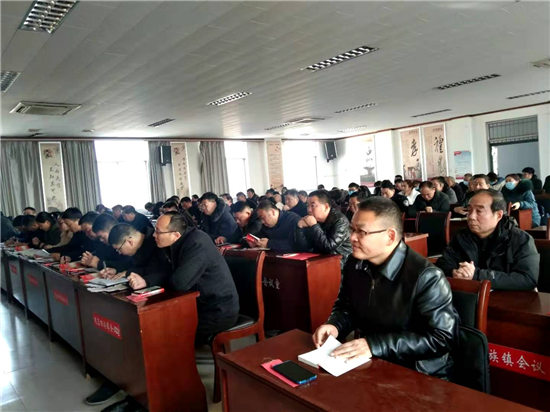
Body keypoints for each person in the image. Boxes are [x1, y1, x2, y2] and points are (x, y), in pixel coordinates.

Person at [313, 197, 458, 380]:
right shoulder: (355, 263)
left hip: (417, 372)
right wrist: (335, 325)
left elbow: (441, 338)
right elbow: (346, 306)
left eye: (361, 232)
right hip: (370, 361)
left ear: (390, 236)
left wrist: (374, 345)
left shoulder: (426, 277)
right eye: (352, 229)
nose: (352, 238)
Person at [126, 213, 239, 345]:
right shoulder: (172, 243)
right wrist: (146, 281)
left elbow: (179, 283)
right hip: (196, 305)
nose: (154, 235)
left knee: (164, 332)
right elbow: (164, 271)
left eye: (158, 232)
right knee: (155, 323)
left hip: (217, 311)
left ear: (175, 235)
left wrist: (159, 278)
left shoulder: (197, 243)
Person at [436, 190, 539, 291]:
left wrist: (477, 275)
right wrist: (454, 272)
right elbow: (443, 263)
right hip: (469, 295)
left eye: (479, 211)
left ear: (498, 215)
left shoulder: (520, 239)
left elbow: (527, 279)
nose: (471, 217)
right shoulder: (461, 236)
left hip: (507, 298)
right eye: (469, 210)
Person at [295, 190, 352, 268]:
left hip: (341, 263)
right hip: (319, 261)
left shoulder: (340, 220)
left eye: (313, 206)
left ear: (326, 207)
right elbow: (304, 248)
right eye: (307, 206)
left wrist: (314, 226)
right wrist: (300, 228)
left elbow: (328, 247)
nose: (309, 210)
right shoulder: (313, 219)